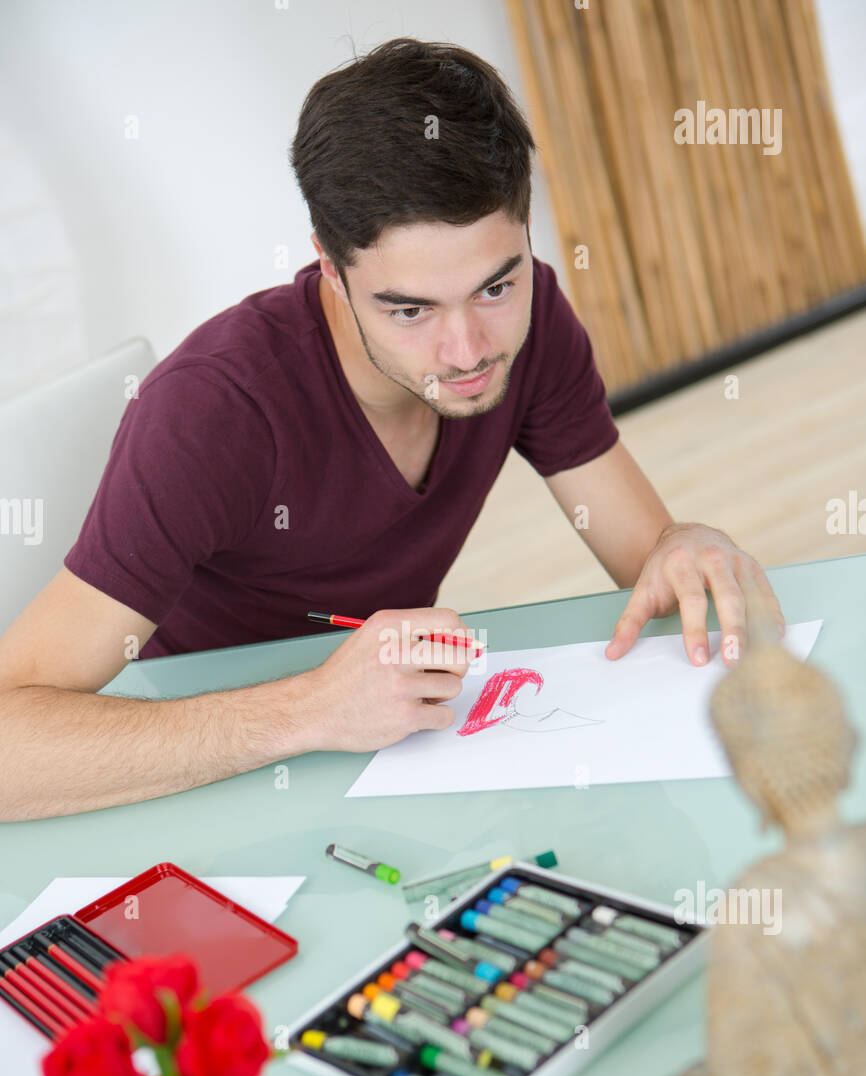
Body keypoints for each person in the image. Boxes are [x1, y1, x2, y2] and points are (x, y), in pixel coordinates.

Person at [0, 37, 785, 823]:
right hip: (183, 775)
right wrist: (309, 710)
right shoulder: (211, 413)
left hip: (377, 759)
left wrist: (683, 544)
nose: (470, 349)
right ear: (331, 271)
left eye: (495, 285)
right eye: (410, 310)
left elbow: (645, 558)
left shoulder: (534, 319)